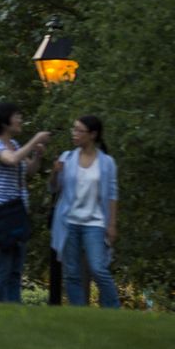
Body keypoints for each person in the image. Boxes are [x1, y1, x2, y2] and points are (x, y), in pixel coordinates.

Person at [0, 102, 53, 303]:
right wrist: (35, 140)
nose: (20, 119)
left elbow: (28, 171)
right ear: (4, 122)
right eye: (17, 116)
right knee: (2, 267)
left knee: (16, 269)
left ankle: (14, 311)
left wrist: (37, 156)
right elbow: (12, 160)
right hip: (2, 213)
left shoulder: (14, 145)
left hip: (18, 212)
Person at [52, 114, 121, 308]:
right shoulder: (67, 157)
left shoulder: (107, 162)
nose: (74, 134)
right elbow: (54, 188)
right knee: (71, 273)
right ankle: (78, 311)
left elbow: (112, 195)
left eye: (78, 130)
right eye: (73, 129)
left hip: (95, 223)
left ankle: (114, 307)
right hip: (69, 222)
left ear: (92, 134)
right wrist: (55, 172)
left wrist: (112, 224)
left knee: (98, 268)